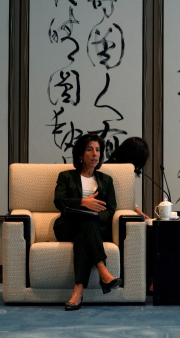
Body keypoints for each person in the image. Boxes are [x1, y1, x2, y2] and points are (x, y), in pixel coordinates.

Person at [53, 133, 122, 311]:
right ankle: (103, 271)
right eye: (90, 149)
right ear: (80, 154)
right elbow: (59, 201)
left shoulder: (106, 180)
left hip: (93, 228)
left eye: (98, 150)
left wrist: (93, 215)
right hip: (67, 225)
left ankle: (78, 291)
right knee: (86, 223)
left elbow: (111, 210)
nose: (95, 154)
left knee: (84, 232)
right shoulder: (66, 176)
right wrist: (83, 202)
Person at [106, 137, 151, 219]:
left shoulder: (123, 169)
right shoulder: (108, 170)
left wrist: (139, 211)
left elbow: (126, 198)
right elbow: (119, 199)